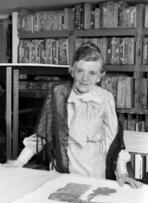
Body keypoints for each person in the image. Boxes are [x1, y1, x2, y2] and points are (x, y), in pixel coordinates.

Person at [4, 42, 142, 188]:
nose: (85, 78)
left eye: (92, 73)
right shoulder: (58, 94)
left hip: (95, 173)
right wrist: (20, 161)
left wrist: (122, 173)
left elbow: (114, 142)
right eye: (80, 71)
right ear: (72, 71)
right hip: (62, 173)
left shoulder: (105, 98)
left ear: (100, 76)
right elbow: (42, 134)